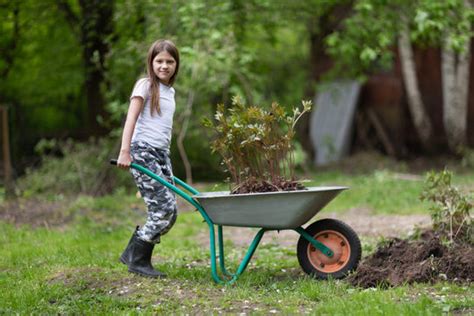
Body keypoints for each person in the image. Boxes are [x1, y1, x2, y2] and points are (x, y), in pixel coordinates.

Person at [116, 39, 180, 278]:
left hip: (162, 154)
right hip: (142, 151)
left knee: (172, 212)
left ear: (176, 65)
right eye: (159, 61)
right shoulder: (144, 85)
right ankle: (139, 261)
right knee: (162, 209)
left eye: (169, 61)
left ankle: (131, 253)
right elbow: (131, 119)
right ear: (151, 63)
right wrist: (125, 151)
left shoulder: (170, 91)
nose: (164, 65)